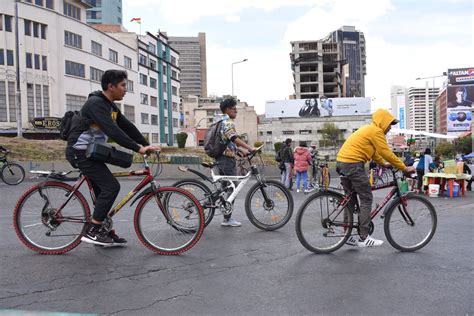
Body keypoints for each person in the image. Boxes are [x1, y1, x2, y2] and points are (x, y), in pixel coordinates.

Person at [65, 70, 160, 246]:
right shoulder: (96, 103)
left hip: (92, 152)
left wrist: (147, 145)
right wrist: (138, 148)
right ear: (111, 86)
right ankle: (93, 231)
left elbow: (127, 127)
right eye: (123, 85)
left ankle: (103, 230)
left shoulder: (110, 106)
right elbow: (112, 131)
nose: (126, 90)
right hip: (80, 152)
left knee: (103, 192)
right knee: (111, 187)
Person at [336, 108, 415, 248]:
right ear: (383, 121)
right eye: (390, 124)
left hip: (343, 162)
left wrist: (383, 164)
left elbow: (375, 153)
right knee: (366, 198)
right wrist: (403, 167)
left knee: (350, 200)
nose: (390, 128)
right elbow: (386, 152)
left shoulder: (368, 130)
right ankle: (364, 237)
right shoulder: (376, 131)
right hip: (353, 164)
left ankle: (346, 234)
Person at [213, 98, 257, 227]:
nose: (236, 111)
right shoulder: (227, 121)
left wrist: (239, 150)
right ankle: (227, 219)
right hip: (226, 161)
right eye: (234, 109)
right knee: (233, 188)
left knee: (224, 189)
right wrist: (249, 148)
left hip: (220, 159)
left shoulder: (219, 121)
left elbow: (226, 142)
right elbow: (233, 137)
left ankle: (225, 215)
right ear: (227, 109)